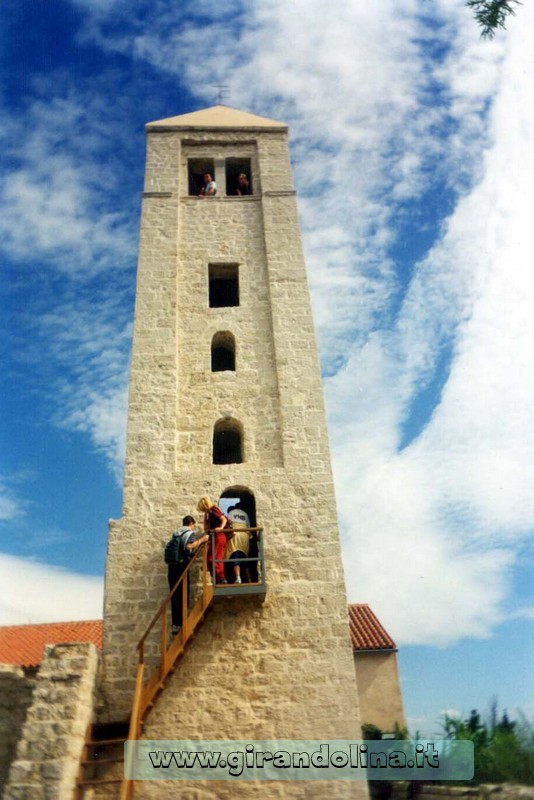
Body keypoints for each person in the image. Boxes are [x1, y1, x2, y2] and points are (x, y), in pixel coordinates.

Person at [167, 515, 208, 635]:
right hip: (181, 566)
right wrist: (202, 540)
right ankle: (183, 622)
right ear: (191, 523)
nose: (194, 527)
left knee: (175, 595)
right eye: (193, 525)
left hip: (172, 566)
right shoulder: (189, 533)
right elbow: (189, 546)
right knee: (183, 594)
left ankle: (176, 624)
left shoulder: (176, 533)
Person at [197, 496, 231, 584]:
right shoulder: (210, 512)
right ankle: (217, 578)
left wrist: (221, 528)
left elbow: (223, 519)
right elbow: (205, 527)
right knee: (210, 558)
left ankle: (221, 578)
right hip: (215, 537)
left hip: (220, 536)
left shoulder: (214, 509)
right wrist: (205, 515)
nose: (203, 510)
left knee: (215, 557)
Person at [225, 504, 251, 585]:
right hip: (245, 536)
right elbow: (249, 526)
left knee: (235, 555)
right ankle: (249, 578)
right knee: (245, 557)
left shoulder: (231, 512)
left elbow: (228, 525)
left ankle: (238, 578)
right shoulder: (245, 514)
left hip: (235, 535)